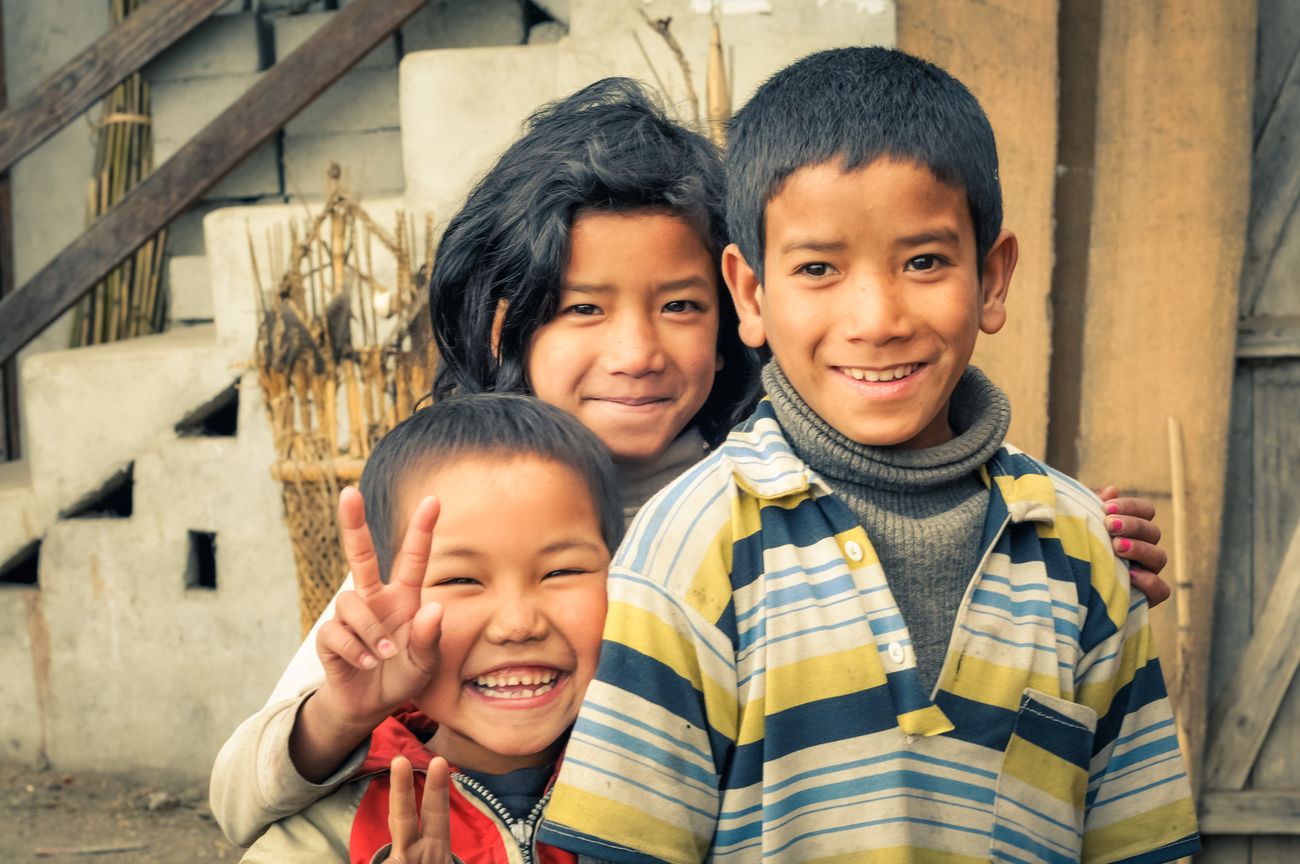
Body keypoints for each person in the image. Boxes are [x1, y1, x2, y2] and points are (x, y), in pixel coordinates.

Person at [211, 77, 1171, 847]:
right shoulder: (447, 524)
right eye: (584, 309)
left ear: (734, 310)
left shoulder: (771, 489)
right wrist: (331, 721)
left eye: (678, 306)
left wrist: (1060, 552)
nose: (638, 351)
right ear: (511, 321)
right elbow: (241, 797)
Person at [538, 49, 1199, 863]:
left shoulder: (1080, 549)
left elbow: (1139, 843)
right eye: (818, 268)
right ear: (750, 295)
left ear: (992, 280)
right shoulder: (694, 546)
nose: (877, 317)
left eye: (924, 262)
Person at [240, 393, 622, 862]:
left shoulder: (663, 783)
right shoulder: (341, 817)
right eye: (460, 579)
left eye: (561, 572)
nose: (518, 624)